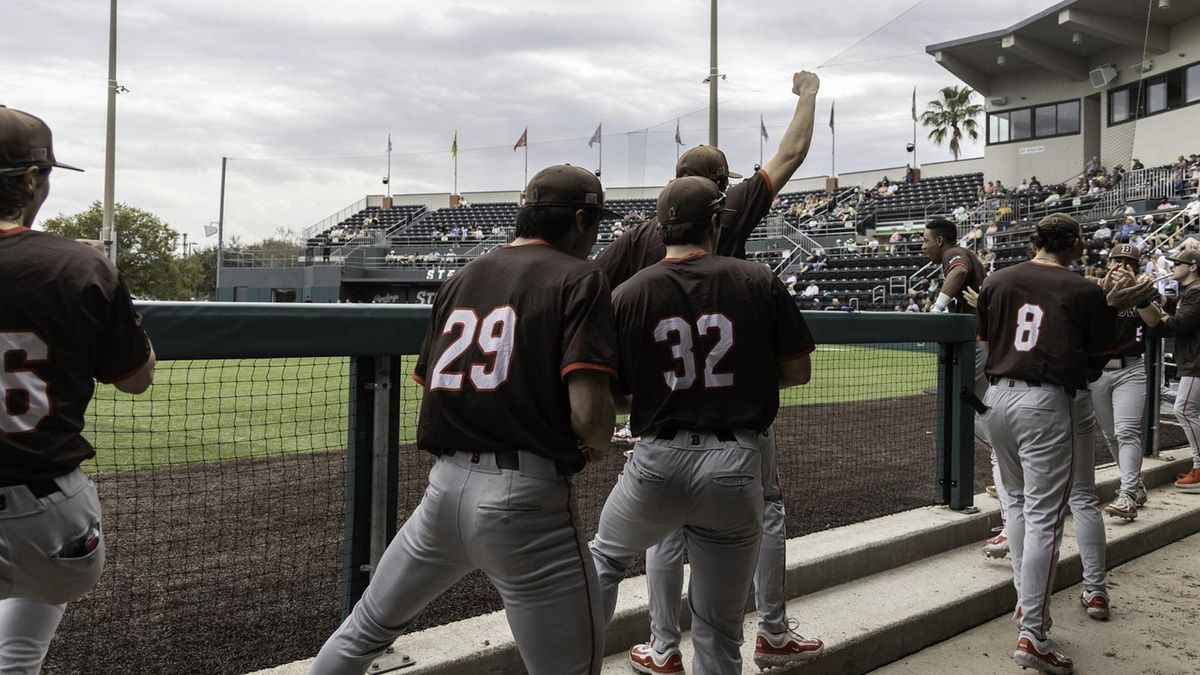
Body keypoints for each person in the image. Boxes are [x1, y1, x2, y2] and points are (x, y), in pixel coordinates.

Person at [311, 165, 621, 675]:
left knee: (361, 632)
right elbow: (590, 416)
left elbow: (435, 385)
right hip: (527, 501)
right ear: (581, 220)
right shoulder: (580, 277)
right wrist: (597, 442)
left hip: (443, 493)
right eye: (595, 223)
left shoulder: (463, 276)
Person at [593, 71, 824, 674]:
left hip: (660, 426)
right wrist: (808, 94)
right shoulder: (739, 231)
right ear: (718, 201)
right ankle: (770, 629)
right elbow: (792, 152)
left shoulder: (634, 245)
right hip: (733, 432)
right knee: (763, 513)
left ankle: (660, 645)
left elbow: (585, 293)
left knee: (655, 534)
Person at [0, 106, 157, 671]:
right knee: (21, 647)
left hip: (42, 517)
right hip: (46, 520)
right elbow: (136, 379)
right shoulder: (78, 267)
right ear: (30, 179)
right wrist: (97, 275)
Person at [976, 213, 1118, 674]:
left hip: (997, 396)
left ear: (1036, 241)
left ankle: (1027, 603)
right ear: (1073, 243)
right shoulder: (1084, 288)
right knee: (1044, 517)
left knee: (1017, 505)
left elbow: (986, 343)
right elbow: (1097, 361)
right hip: (1045, 400)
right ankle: (1033, 632)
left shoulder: (997, 280)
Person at [1094, 244, 1161, 519]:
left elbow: (1154, 321)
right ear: (1108, 262)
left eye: (1128, 262)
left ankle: (1128, 495)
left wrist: (1138, 294)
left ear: (1136, 266)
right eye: (1117, 260)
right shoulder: (1095, 289)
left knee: (1127, 432)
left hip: (1130, 369)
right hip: (1098, 371)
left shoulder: (1144, 289)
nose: (1121, 266)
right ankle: (1136, 485)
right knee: (1111, 434)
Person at [1159, 249, 1200, 490]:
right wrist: (1161, 299)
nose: (1173, 266)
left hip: (1196, 361)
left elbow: (1181, 322)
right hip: (1193, 359)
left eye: (1177, 263)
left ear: (1192, 266)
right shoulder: (1191, 291)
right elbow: (1181, 307)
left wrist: (1160, 315)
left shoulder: (1197, 290)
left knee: (1183, 410)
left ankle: (1199, 467)